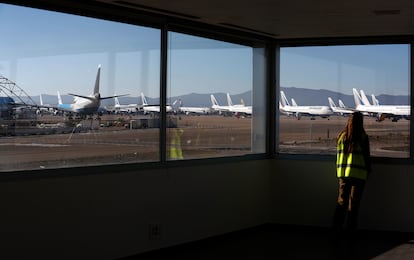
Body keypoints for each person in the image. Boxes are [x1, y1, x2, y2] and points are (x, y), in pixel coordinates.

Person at [332, 111, 371, 235]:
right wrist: (368, 170)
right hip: (358, 175)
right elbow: (366, 157)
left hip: (343, 175)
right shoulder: (363, 137)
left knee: (341, 202)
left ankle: (336, 231)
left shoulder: (341, 137)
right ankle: (351, 232)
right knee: (353, 205)